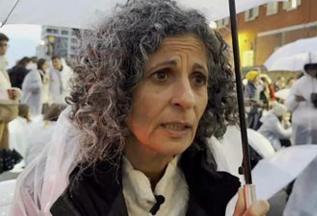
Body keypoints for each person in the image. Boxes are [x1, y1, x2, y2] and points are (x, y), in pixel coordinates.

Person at [13, 1, 269, 216]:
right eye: (162, 75)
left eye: (199, 79)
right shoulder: (57, 194)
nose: (187, 99)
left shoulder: (224, 193)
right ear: (116, 87)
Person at [0, 33, 20, 150]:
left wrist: (13, 92)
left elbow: (5, 86)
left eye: (6, 45)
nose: (4, 48)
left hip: (3, 111)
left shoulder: (3, 64)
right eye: (1, 45)